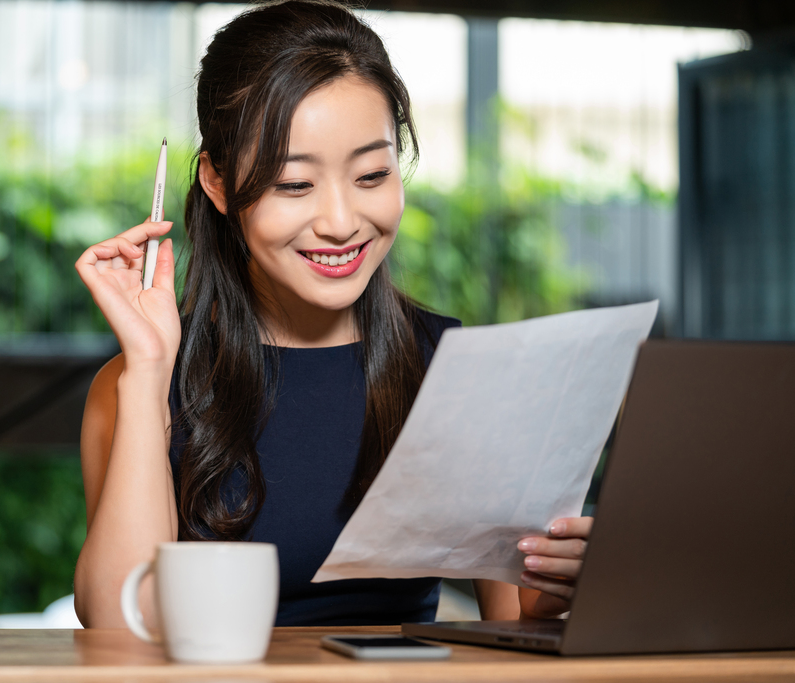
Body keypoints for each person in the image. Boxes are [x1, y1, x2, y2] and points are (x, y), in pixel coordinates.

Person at [73, 0, 592, 628]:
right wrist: (150, 371)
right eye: (295, 185)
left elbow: (516, 623)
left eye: (372, 175)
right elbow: (119, 627)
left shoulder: (457, 372)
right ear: (216, 182)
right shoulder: (135, 387)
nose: (342, 223)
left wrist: (568, 581)